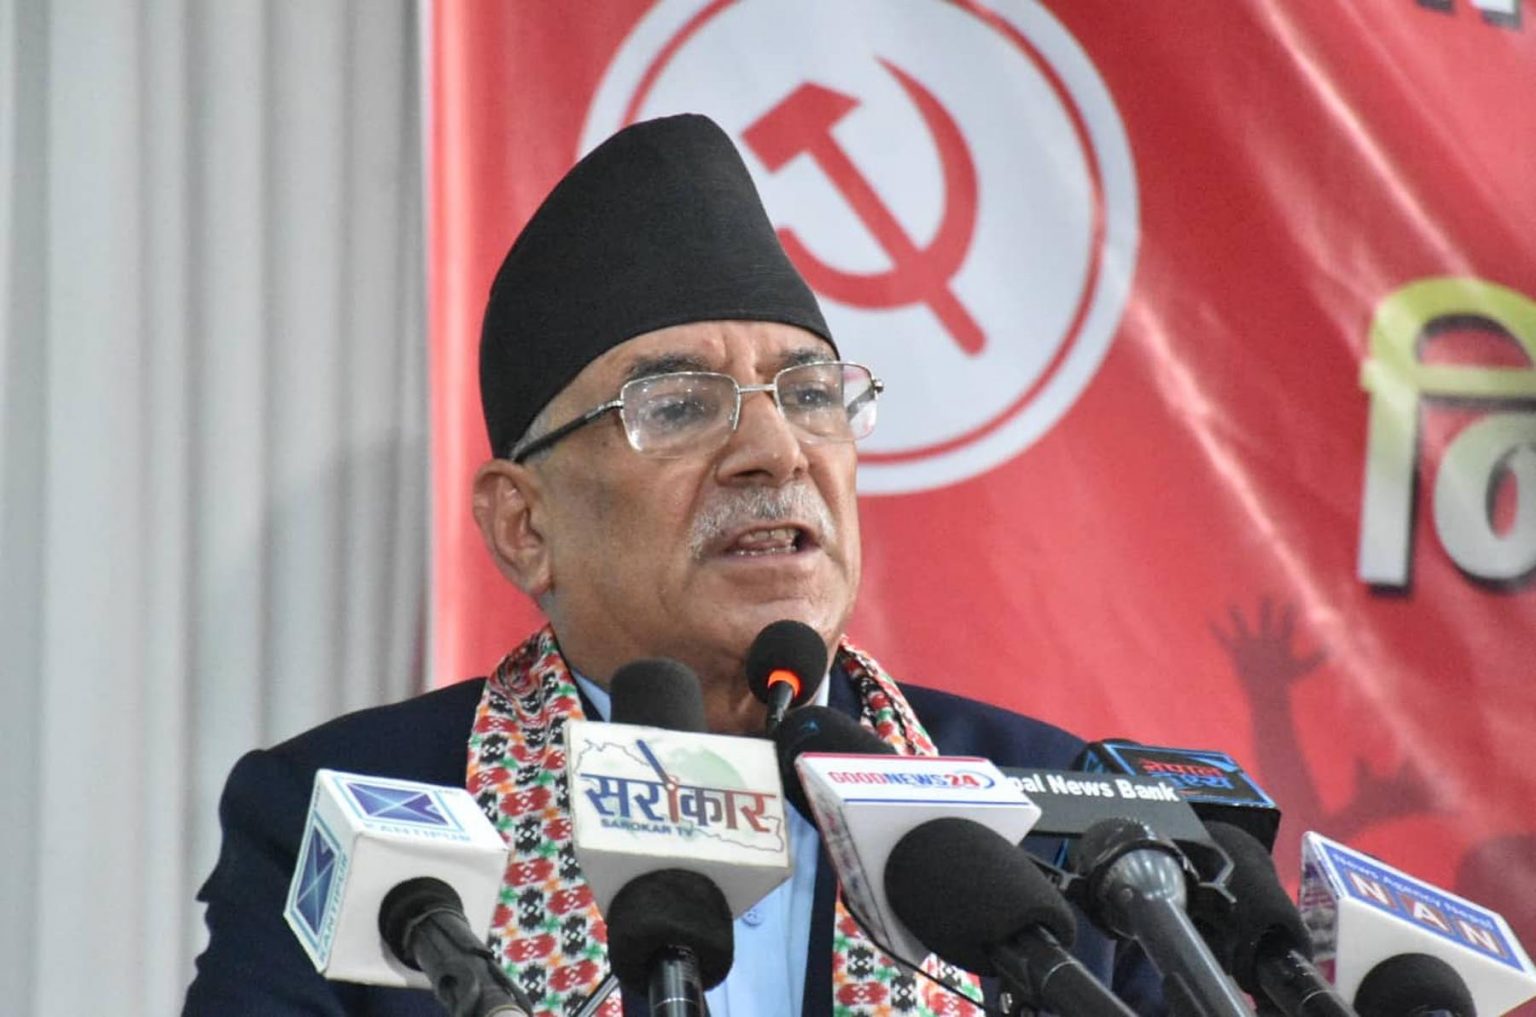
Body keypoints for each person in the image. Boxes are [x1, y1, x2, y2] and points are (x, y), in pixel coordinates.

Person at [185, 113, 1162, 1016]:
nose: (778, 452)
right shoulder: (339, 811)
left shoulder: (1053, 818)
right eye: (682, 406)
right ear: (523, 525)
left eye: (810, 394)